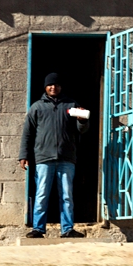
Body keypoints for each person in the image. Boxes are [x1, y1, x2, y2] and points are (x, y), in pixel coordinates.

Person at [19, 73, 89, 238]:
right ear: (45, 87)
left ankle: (67, 229)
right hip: (43, 158)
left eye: (56, 85)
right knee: (42, 194)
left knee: (66, 195)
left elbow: (83, 130)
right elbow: (27, 133)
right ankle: (38, 228)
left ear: (61, 87)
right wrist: (24, 154)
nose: (53, 87)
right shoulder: (37, 107)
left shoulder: (71, 105)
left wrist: (82, 119)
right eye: (50, 85)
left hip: (66, 158)